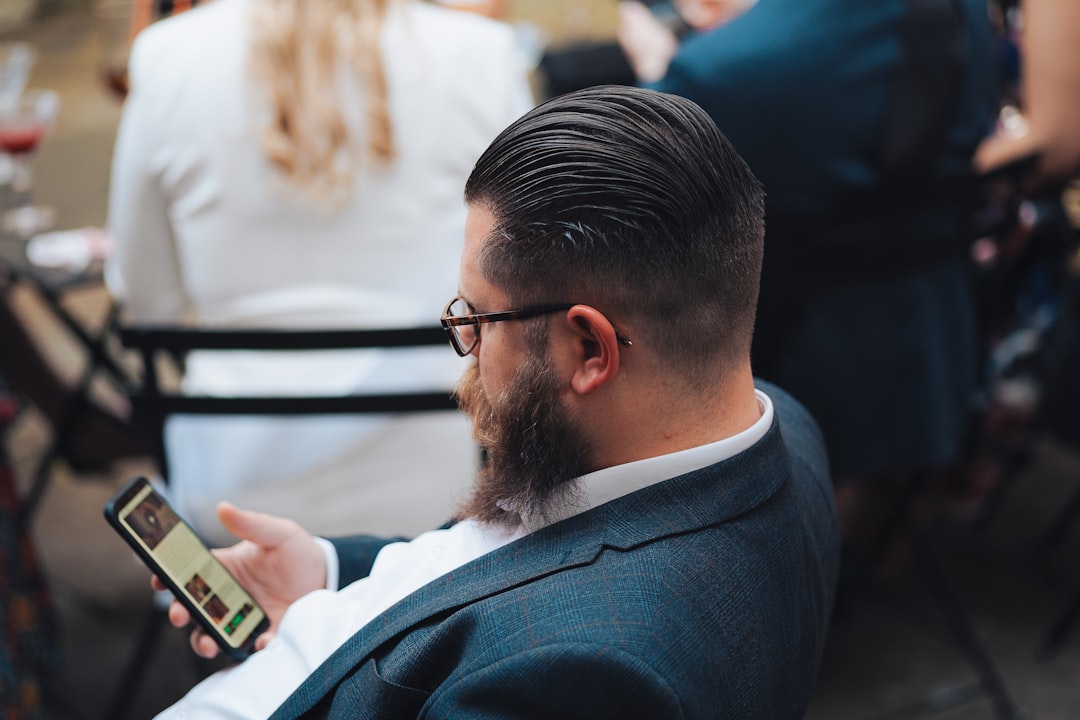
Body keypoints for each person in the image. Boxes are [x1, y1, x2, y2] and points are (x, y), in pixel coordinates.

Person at [147, 85, 840, 720]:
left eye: (478, 318)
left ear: (589, 350)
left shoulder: (579, 681)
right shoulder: (773, 427)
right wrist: (330, 577)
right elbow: (508, 558)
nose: (467, 349)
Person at [105, 0, 533, 544]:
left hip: (234, 488)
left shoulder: (166, 56)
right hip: (446, 473)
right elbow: (527, 270)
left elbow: (146, 299)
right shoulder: (480, 52)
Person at [620, 0, 998, 528]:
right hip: (929, 338)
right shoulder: (963, 13)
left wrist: (656, 69)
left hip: (791, 370)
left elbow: (639, 174)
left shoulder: (720, 70)